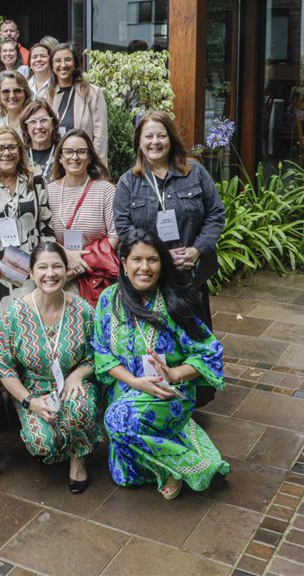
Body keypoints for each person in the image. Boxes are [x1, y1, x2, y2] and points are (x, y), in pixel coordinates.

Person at [92, 229, 229, 498]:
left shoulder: (174, 301)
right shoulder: (109, 299)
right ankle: (179, 436)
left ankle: (188, 467)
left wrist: (176, 373)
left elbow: (210, 352)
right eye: (137, 260)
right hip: (128, 390)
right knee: (124, 476)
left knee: (116, 422)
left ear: (162, 263)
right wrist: (134, 382)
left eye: (153, 260)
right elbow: (101, 351)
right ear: (123, 263)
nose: (145, 267)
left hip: (167, 392)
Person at [0, 243, 101, 493]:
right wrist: (30, 401)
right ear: (31, 272)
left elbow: (99, 353)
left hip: (74, 383)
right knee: (42, 443)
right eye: (42, 267)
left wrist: (78, 374)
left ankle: (78, 456)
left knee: (80, 410)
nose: (50, 273)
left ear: (67, 271)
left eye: (57, 266)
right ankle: (58, 438)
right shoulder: (14, 315)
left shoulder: (83, 310)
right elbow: (5, 368)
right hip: (34, 388)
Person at [113, 111, 224, 329]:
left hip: (189, 275)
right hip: (149, 278)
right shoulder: (128, 182)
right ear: (139, 141)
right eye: (148, 136)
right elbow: (124, 229)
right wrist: (159, 257)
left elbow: (216, 213)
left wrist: (197, 249)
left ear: (171, 139)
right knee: (156, 341)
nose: (155, 142)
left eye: (161, 136)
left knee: (196, 339)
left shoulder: (195, 172)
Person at [0, 126, 55, 318]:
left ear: (20, 150)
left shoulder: (35, 179)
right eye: (0, 148)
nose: (6, 153)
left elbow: (46, 226)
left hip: (29, 267)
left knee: (29, 322)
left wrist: (44, 263)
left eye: (12, 147)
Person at [49, 128, 118, 299]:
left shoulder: (106, 190)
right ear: (60, 157)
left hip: (96, 277)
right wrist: (66, 258)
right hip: (57, 276)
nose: (74, 157)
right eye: (68, 152)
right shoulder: (47, 192)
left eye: (81, 152)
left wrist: (80, 263)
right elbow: (43, 234)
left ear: (89, 157)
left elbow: (115, 235)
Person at [48, 43, 109, 159]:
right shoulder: (46, 96)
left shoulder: (92, 93)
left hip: (83, 162)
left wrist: (98, 167)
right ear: (52, 65)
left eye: (67, 60)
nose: (62, 65)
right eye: (57, 61)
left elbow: (100, 137)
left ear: (75, 63)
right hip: (54, 163)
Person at [20, 99, 61, 181]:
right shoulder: (20, 155)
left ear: (53, 124)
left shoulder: (63, 153)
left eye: (44, 120)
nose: (38, 126)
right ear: (26, 128)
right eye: (32, 122)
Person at [0, 71, 32, 135]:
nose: (12, 96)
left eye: (17, 91)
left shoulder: (33, 123)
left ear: (25, 93)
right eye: (6, 91)